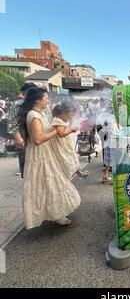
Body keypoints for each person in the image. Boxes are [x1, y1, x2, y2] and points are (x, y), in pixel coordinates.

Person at [18, 87, 81, 228]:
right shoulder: (34, 115)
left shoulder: (37, 113)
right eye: (46, 97)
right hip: (40, 155)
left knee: (49, 184)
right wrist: (55, 131)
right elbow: (38, 140)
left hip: (44, 153)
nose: (48, 100)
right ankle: (56, 215)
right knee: (49, 184)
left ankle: (56, 214)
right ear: (38, 99)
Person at [7, 83, 40, 177]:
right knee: (27, 162)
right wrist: (18, 138)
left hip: (38, 136)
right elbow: (12, 122)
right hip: (24, 136)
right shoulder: (18, 104)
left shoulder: (38, 102)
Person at [51, 102, 89, 179]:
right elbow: (61, 134)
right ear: (63, 112)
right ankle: (70, 173)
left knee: (71, 156)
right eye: (70, 114)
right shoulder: (58, 121)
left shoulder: (60, 119)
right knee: (66, 158)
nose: (72, 116)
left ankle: (77, 172)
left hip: (63, 143)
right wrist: (71, 130)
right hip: (60, 144)